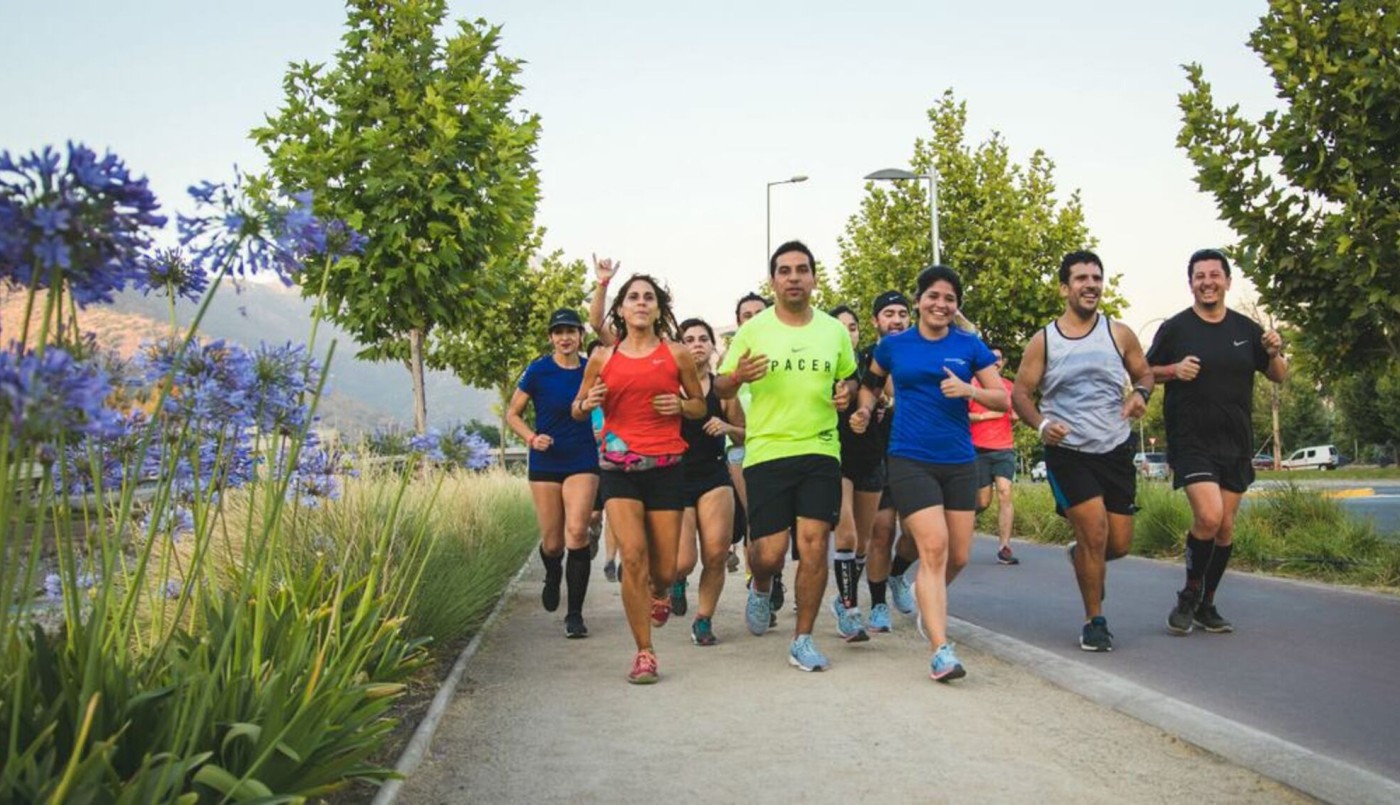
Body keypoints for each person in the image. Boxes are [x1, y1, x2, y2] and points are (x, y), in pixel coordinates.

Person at [851, 266, 1007, 681]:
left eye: (949, 299)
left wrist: (970, 390)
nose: (941, 304)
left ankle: (926, 600)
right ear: (919, 300)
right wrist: (865, 409)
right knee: (934, 548)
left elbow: (1001, 398)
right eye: (933, 296)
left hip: (959, 460)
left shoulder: (969, 345)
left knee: (959, 555)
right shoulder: (894, 346)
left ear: (956, 306)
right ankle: (941, 649)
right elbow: (870, 384)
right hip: (910, 458)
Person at [716, 240, 856, 672]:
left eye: (802, 269)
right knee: (771, 553)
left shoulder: (833, 330)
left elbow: (849, 380)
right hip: (767, 451)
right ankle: (761, 584)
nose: (794, 277)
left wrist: (845, 394)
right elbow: (720, 386)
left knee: (814, 545)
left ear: (813, 278)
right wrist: (738, 376)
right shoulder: (753, 330)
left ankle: (803, 639)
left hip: (820, 448)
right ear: (773, 280)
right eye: (785, 270)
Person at [1012, 250, 1153, 653]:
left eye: (1096, 278)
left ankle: (1081, 556)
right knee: (1094, 533)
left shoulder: (1119, 333)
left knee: (1118, 544)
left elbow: (1144, 373)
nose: (1090, 285)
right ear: (1064, 288)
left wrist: (1140, 394)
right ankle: (1095, 621)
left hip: (1115, 448)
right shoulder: (1044, 340)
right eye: (1081, 278)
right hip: (1068, 450)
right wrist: (1042, 425)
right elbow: (1020, 393)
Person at [574, 274, 707, 684]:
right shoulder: (603, 357)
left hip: (666, 467)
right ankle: (644, 652)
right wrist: (588, 402)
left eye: (649, 297)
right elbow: (577, 408)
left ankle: (661, 592)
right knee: (632, 556)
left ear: (659, 308)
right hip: (619, 469)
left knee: (665, 570)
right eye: (633, 297)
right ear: (622, 308)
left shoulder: (676, 354)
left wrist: (681, 406)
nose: (641, 303)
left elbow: (700, 406)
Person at [1147, 248, 1287, 635]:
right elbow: (1143, 372)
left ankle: (1207, 605)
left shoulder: (1246, 329)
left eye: (1214, 275)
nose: (1207, 282)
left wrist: (1274, 352)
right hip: (1191, 438)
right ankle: (1188, 595)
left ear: (1227, 281)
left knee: (1224, 528)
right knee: (1208, 516)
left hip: (1235, 441)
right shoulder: (1176, 328)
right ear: (1190, 283)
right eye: (1199, 276)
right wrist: (1173, 370)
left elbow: (1278, 375)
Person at [505, 309, 602, 639]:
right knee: (552, 542)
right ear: (551, 338)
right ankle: (552, 573)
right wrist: (532, 438)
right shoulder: (538, 370)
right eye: (559, 332)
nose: (565, 338)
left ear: (580, 336)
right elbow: (512, 414)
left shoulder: (591, 369)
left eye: (571, 331)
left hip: (582, 458)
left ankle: (574, 615)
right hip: (546, 461)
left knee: (577, 533)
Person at [671, 318, 744, 645]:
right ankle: (676, 581)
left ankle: (703, 619)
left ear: (712, 347)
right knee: (683, 561)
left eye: (703, 338)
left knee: (715, 555)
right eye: (689, 339)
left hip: (714, 475)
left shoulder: (721, 390)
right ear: (679, 348)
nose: (697, 344)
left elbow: (745, 434)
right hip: (676, 476)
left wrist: (728, 428)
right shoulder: (668, 388)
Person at [858, 291, 915, 633]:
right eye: (889, 314)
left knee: (917, 534)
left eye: (902, 314)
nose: (896, 320)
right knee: (881, 532)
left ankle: (897, 574)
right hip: (876, 455)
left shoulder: (923, 353)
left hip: (915, 454)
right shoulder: (866, 358)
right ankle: (879, 604)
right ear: (875, 321)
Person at [828, 302, 884, 642]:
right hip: (835, 456)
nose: (847, 334)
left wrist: (882, 403)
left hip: (871, 455)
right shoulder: (823, 367)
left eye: (852, 327)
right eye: (839, 328)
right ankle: (850, 611)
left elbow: (889, 391)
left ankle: (842, 597)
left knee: (863, 541)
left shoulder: (873, 362)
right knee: (846, 534)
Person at [970, 346, 1021, 565]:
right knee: (982, 502)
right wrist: (987, 416)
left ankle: (1004, 548)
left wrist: (1016, 414)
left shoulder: (1008, 387)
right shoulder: (972, 385)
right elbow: (963, 415)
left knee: (1005, 492)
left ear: (1003, 362)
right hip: (978, 449)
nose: (995, 362)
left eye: (999, 359)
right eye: (991, 358)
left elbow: (1015, 415)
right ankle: (958, 519)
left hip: (1004, 448)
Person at [584, 339, 623, 584]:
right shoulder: (585, 390)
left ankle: (610, 560)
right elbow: (574, 417)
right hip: (590, 459)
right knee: (594, 514)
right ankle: (594, 530)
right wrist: (590, 434)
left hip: (618, 458)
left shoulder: (620, 386)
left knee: (614, 511)